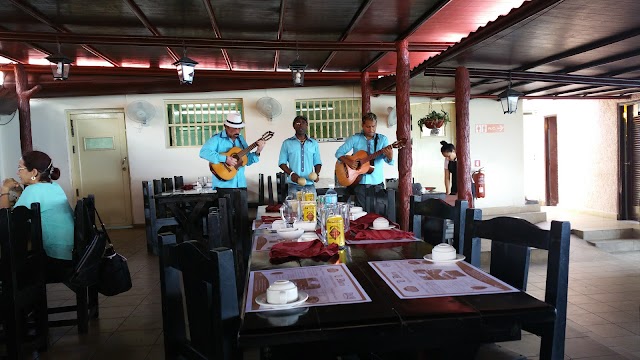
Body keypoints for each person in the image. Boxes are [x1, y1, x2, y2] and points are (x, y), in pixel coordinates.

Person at [1, 150, 74, 282]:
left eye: (20, 168)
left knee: (8, 265)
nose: (18, 173)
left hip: (56, 261)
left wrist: (4, 190)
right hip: (72, 254)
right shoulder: (54, 186)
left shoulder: (33, 190)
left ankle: (17, 299)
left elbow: (6, 222)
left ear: (34, 172)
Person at [335, 112, 394, 207]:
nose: (371, 129)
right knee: (361, 213)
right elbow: (339, 153)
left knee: (377, 212)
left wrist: (390, 156)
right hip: (359, 183)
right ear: (362, 125)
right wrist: (349, 162)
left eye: (373, 126)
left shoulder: (382, 140)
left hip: (376, 182)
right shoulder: (355, 138)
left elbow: (388, 161)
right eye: (368, 126)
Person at [199, 112, 265, 189]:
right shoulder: (217, 139)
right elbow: (203, 152)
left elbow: (247, 161)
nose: (237, 131)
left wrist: (258, 151)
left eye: (239, 128)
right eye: (234, 128)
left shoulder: (241, 140)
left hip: (241, 185)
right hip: (223, 186)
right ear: (226, 126)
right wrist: (225, 159)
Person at [278, 115, 322, 198]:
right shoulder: (287, 143)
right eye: (298, 123)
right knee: (294, 210)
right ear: (294, 126)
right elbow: (282, 163)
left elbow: (317, 162)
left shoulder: (313, 143)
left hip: (310, 184)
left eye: (303, 123)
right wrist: (292, 174)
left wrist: (317, 174)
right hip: (293, 185)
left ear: (307, 125)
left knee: (311, 209)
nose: (301, 125)